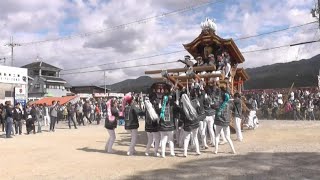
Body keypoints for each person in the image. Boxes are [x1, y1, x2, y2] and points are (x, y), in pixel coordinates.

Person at [213, 86, 236, 154]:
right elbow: (232, 107)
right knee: (228, 137)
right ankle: (233, 150)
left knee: (217, 136)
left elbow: (213, 106)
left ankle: (216, 150)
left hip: (218, 122)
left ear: (222, 98)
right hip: (226, 122)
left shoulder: (218, 103)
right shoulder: (229, 104)